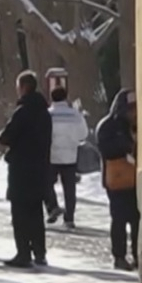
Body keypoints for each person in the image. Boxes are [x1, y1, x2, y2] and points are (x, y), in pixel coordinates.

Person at [0, 71, 53, 269]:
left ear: (22, 87)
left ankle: (23, 252)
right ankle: (39, 251)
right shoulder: (44, 113)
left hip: (21, 168)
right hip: (39, 167)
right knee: (36, 212)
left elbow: (9, 136)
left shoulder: (22, 111)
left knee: (20, 213)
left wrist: (1, 137)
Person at [96, 89, 138, 271]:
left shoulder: (136, 124)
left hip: (135, 179)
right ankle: (119, 256)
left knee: (137, 219)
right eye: (131, 109)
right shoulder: (108, 126)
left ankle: (138, 254)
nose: (134, 113)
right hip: (117, 180)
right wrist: (127, 147)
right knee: (119, 219)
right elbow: (106, 148)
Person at [46, 87, 89, 228]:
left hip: (51, 156)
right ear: (66, 97)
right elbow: (83, 134)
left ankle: (53, 207)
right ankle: (69, 218)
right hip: (70, 156)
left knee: (46, 183)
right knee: (69, 188)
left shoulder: (48, 115)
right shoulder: (75, 114)